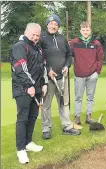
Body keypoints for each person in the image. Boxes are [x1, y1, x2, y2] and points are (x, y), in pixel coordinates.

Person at [11, 23, 48, 164]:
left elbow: (42, 67)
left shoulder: (38, 48)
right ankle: (20, 149)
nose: (35, 37)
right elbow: (20, 68)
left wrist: (44, 83)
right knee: (23, 119)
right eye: (33, 34)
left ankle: (28, 142)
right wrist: (29, 85)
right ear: (26, 32)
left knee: (33, 117)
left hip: (36, 89)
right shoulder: (19, 46)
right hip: (23, 89)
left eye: (37, 35)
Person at [40, 14, 80, 139]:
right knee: (46, 105)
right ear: (47, 25)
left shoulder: (62, 39)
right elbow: (38, 59)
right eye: (51, 24)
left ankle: (67, 126)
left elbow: (69, 55)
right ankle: (46, 128)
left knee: (64, 103)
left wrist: (67, 66)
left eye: (56, 24)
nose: (53, 26)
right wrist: (47, 70)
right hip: (48, 79)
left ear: (58, 26)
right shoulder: (42, 39)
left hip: (62, 78)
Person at [70, 21, 104, 125]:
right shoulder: (74, 42)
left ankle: (89, 116)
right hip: (79, 75)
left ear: (90, 30)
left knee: (90, 97)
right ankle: (77, 117)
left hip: (92, 75)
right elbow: (68, 55)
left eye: (87, 30)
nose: (85, 32)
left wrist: (97, 72)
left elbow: (100, 58)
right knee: (78, 97)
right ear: (80, 31)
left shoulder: (96, 43)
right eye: (83, 30)